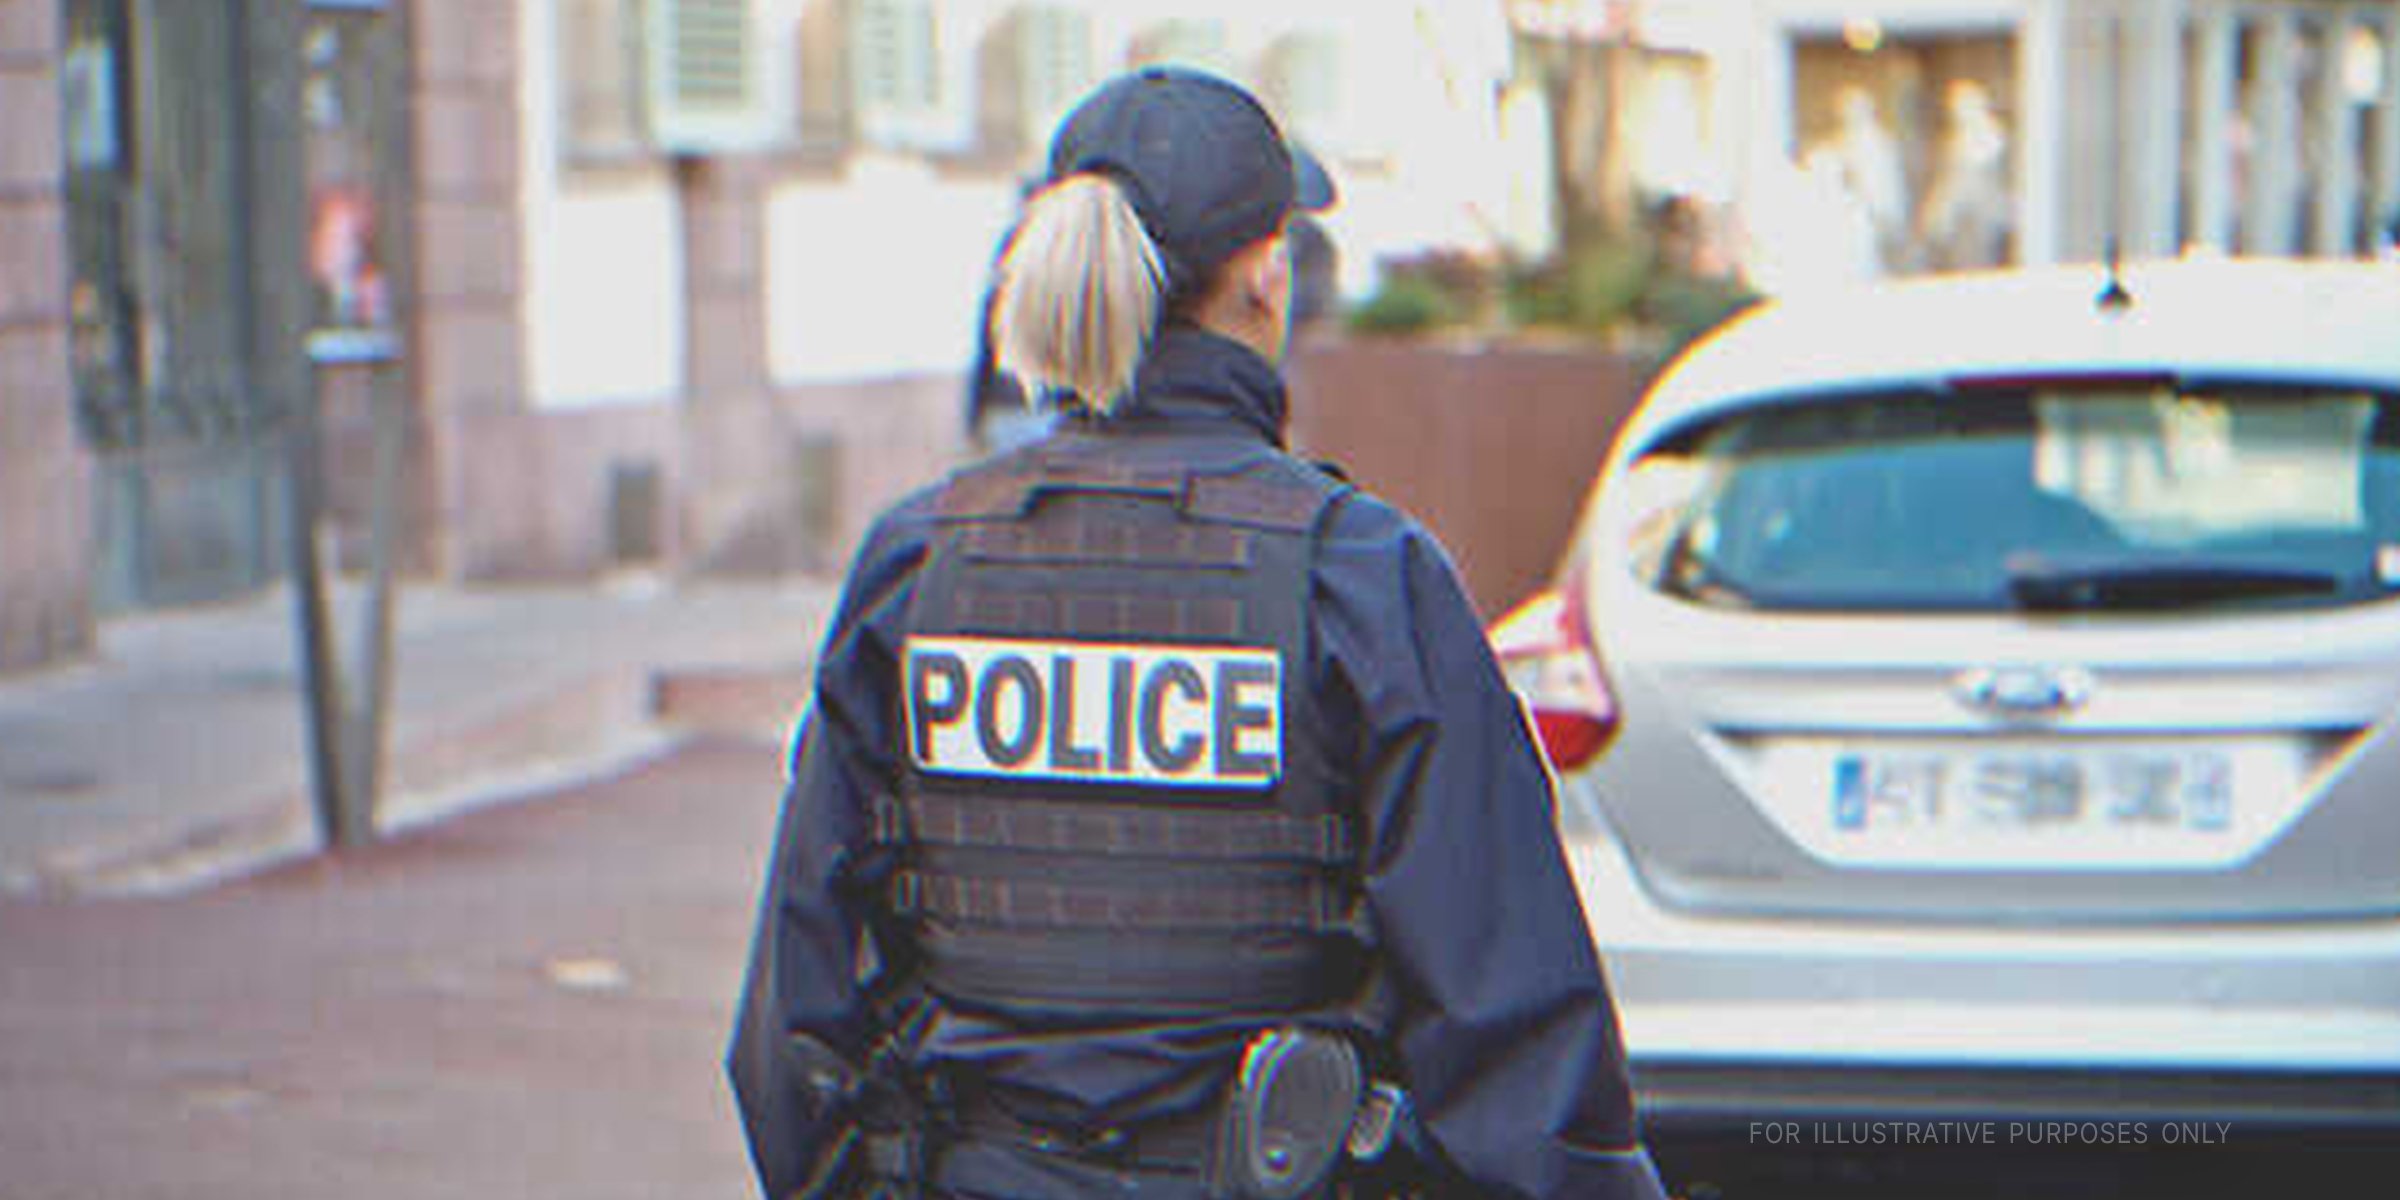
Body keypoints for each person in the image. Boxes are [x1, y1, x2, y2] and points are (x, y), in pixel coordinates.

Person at [727, 65, 1669, 1200]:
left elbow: (797, 1019)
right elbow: (1512, 1028)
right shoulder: (1361, 575)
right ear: (1269, 272)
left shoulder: (917, 563)